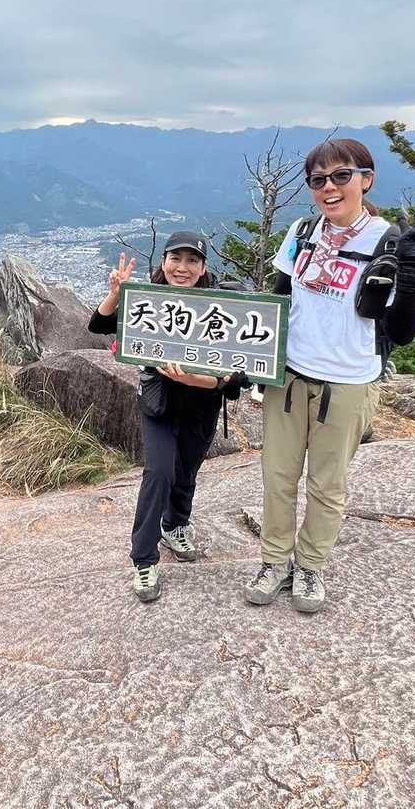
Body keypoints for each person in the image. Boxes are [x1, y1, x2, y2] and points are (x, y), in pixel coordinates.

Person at [243, 138, 415, 612]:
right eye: (318, 180)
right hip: (290, 377)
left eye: (341, 176)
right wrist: (258, 364)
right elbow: (281, 297)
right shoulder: (303, 232)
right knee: (278, 477)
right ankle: (274, 562)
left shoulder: (390, 243)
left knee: (327, 484)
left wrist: (409, 276)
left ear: (366, 179)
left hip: (348, 382)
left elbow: (403, 332)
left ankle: (310, 566)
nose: (329, 187)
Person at [88, 232, 247, 602]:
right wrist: (117, 293)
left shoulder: (219, 307)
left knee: (186, 472)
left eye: (192, 260)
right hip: (159, 404)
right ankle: (144, 559)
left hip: (202, 405)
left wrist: (199, 379)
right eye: (176, 259)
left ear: (204, 268)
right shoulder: (150, 301)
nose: (182, 268)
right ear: (164, 262)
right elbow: (99, 325)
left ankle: (175, 525)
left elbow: (239, 375)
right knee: (158, 473)